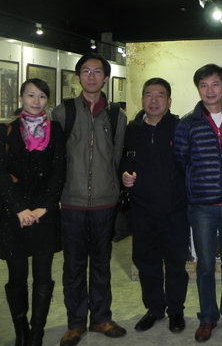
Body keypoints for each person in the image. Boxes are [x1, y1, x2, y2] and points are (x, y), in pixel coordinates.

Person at [52, 53, 127, 346]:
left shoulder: (116, 115)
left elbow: (117, 156)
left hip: (105, 202)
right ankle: (75, 323)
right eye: (86, 71)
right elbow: (56, 157)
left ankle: (101, 318)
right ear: (78, 77)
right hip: (71, 201)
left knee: (101, 263)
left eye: (97, 72)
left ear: (106, 78)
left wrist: (113, 187)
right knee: (73, 266)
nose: (92, 76)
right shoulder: (63, 112)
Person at [173, 64, 222, 342]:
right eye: (204, 85)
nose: (210, 90)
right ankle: (207, 317)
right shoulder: (187, 123)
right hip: (202, 207)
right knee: (205, 265)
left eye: (215, 84)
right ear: (198, 89)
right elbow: (181, 160)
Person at [0, 78, 66, 346]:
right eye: (30, 95)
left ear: (47, 100)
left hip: (44, 213)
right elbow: (1, 174)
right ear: (21, 98)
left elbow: (59, 171)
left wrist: (42, 208)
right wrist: (19, 209)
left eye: (41, 96)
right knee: (16, 277)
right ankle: (21, 332)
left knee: (43, 276)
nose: (36, 101)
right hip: (12, 214)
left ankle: (37, 332)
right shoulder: (5, 130)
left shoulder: (56, 129)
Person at [121, 78, 189, 334]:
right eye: (149, 94)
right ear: (142, 100)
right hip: (141, 210)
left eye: (160, 95)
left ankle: (176, 310)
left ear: (169, 101)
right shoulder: (131, 130)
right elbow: (121, 161)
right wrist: (123, 175)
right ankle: (154, 309)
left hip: (175, 210)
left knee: (175, 263)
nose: (154, 100)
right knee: (146, 262)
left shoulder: (180, 128)